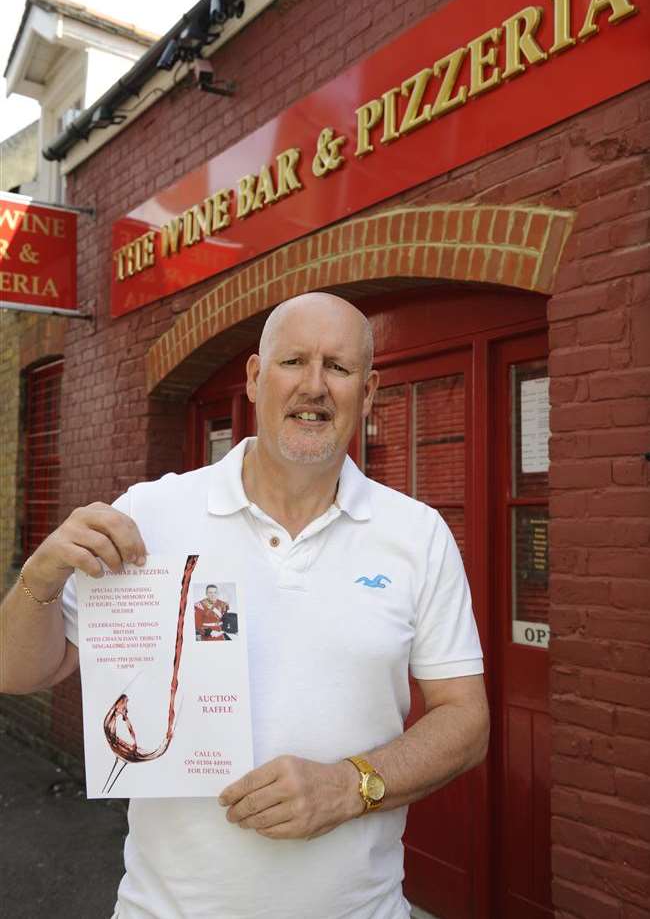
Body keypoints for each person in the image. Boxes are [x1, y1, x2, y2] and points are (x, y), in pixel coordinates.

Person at [0, 292, 489, 919]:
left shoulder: (416, 535)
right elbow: (19, 673)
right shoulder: (151, 514)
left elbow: (466, 721)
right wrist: (40, 575)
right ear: (256, 378)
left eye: (338, 369)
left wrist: (350, 786)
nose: (314, 386)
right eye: (293, 362)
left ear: (367, 394)